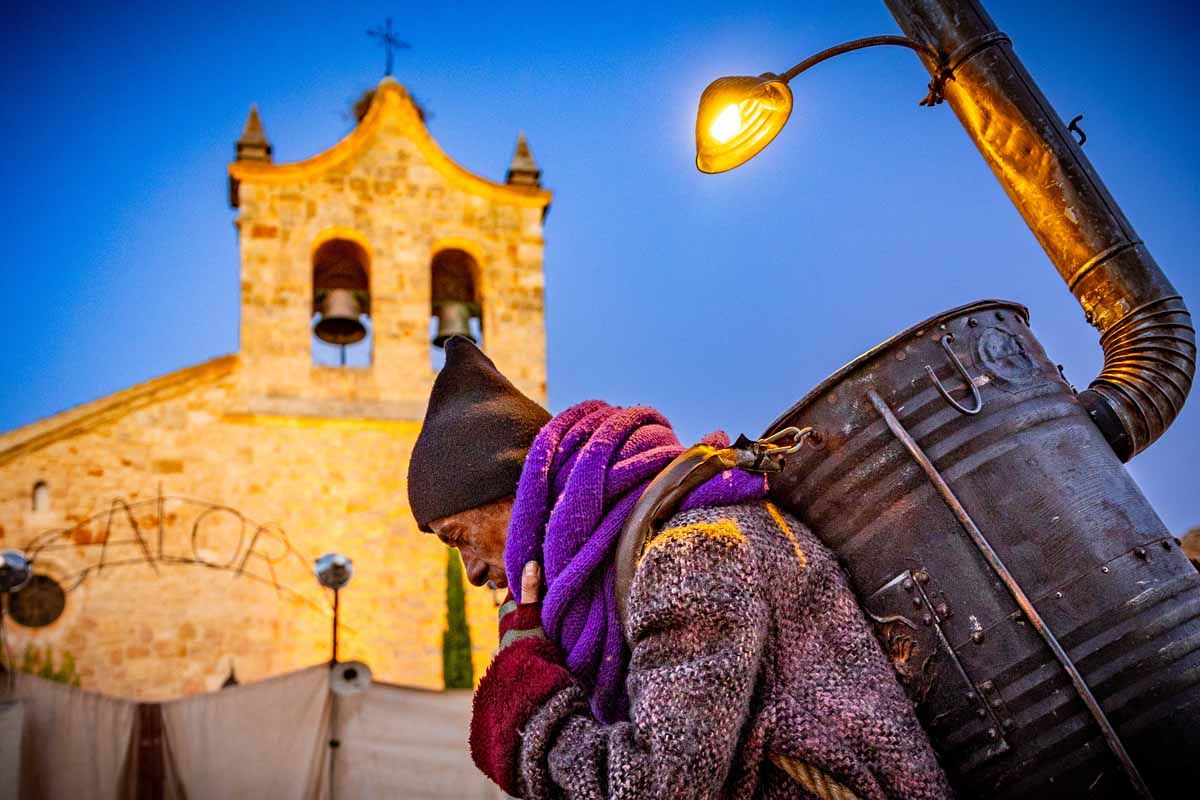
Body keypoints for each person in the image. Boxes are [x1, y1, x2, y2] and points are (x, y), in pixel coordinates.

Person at [408, 337, 952, 800]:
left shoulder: (691, 553)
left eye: (459, 538)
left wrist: (527, 712)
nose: (472, 573)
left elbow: (658, 785)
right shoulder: (649, 557)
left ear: (521, 496)